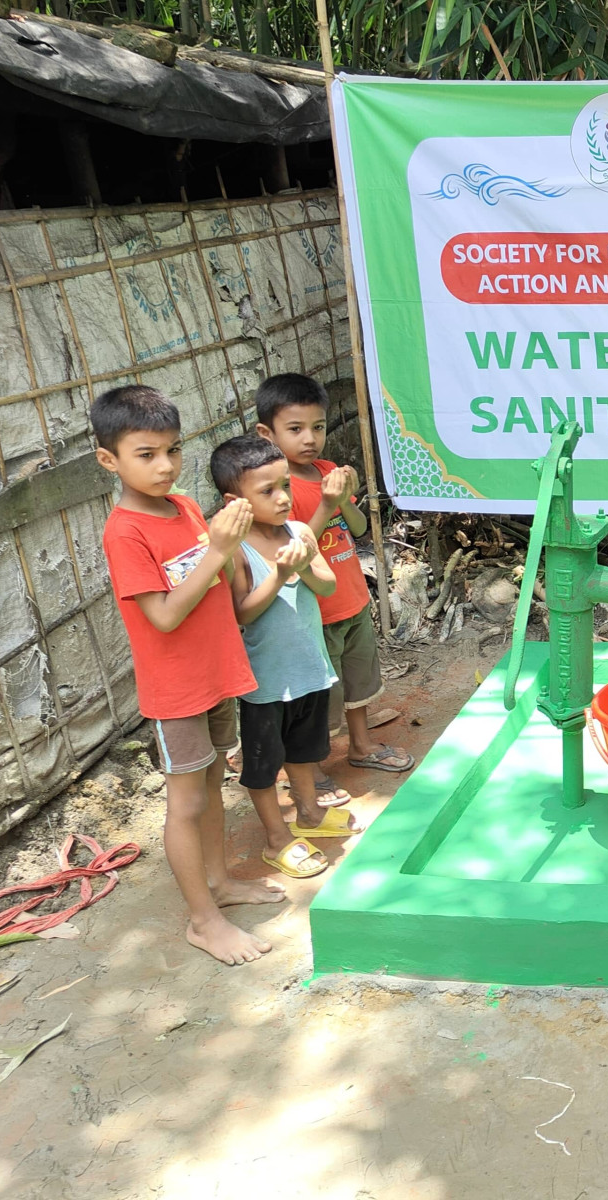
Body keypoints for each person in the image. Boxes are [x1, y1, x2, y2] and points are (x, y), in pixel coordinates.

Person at [93, 385, 275, 966]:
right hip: (176, 690)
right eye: (146, 454)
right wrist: (218, 550)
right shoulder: (125, 532)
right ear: (109, 460)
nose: (165, 465)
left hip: (216, 673)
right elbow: (166, 616)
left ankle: (218, 884)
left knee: (213, 784)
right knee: (186, 804)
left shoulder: (187, 508)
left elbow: (218, 586)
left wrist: (230, 550)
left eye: (172, 449)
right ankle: (203, 921)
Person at [211, 435, 362, 880]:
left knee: (303, 749)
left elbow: (328, 585)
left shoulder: (301, 532)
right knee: (263, 765)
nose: (282, 498)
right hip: (266, 682)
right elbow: (242, 612)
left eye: (285, 486)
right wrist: (279, 574)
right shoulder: (237, 551)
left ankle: (309, 813)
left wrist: (303, 566)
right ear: (235, 502)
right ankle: (277, 838)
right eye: (267, 491)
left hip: (310, 670)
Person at [255, 374, 412, 784]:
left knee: (359, 681)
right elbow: (296, 544)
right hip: (314, 613)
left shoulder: (326, 471)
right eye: (295, 429)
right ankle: (308, 768)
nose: (310, 438)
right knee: (321, 693)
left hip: (352, 599)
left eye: (318, 427)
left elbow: (357, 529)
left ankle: (361, 745)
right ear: (266, 433)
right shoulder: (277, 490)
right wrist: (327, 504)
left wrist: (343, 500)